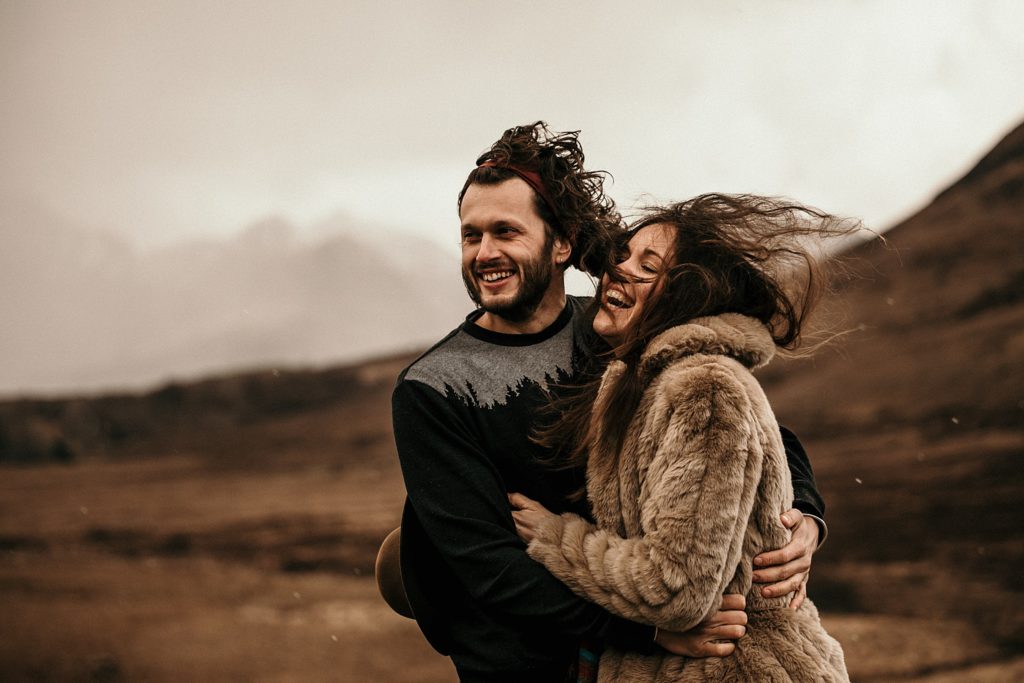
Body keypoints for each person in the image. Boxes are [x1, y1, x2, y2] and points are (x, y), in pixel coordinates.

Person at [388, 123, 827, 682]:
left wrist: (805, 518)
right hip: (526, 666)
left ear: (562, 244)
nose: (485, 253)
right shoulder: (433, 387)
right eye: (471, 236)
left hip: (638, 658)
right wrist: (645, 630)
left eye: (506, 231)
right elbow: (490, 568)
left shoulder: (615, 332)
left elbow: (747, 430)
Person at [509, 195, 854, 681]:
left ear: (686, 296)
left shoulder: (703, 389)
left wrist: (555, 538)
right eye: (621, 256)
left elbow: (676, 586)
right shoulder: (636, 377)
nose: (618, 271)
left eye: (647, 266)